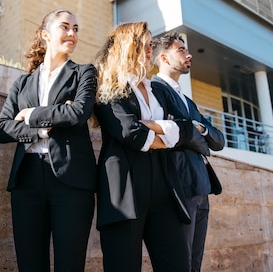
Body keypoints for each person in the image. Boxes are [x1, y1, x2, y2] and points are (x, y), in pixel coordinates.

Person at [0, 9, 97, 272]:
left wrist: (30, 114)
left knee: (70, 264)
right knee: (30, 264)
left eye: (76, 28)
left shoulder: (84, 73)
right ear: (45, 34)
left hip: (72, 182)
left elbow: (77, 112)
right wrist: (43, 130)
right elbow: (3, 129)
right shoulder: (22, 83)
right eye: (65, 27)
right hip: (26, 180)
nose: (72, 33)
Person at [93, 21, 194, 272]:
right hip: (125, 189)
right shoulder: (109, 86)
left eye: (151, 45)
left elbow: (186, 129)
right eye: (144, 45)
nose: (149, 51)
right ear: (128, 46)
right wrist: (166, 132)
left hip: (164, 185)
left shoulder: (158, 89)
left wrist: (153, 126)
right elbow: (131, 133)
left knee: (178, 264)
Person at [151, 31, 225, 272]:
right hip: (179, 186)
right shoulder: (155, 90)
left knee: (195, 263)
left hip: (202, 187)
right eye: (180, 50)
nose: (188, 54)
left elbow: (217, 141)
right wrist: (193, 133)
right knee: (179, 263)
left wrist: (198, 129)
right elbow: (172, 135)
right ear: (163, 57)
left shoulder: (188, 102)